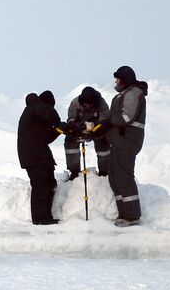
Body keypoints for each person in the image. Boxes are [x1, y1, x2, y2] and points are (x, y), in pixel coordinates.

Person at [107, 65, 148, 227]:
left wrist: (109, 121)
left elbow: (126, 117)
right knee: (115, 177)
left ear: (124, 80)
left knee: (124, 176)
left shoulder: (133, 93)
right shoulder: (122, 95)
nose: (116, 81)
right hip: (119, 140)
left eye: (118, 78)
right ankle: (123, 213)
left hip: (128, 140)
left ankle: (132, 216)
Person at [17, 90, 62, 225]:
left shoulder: (35, 118)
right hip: (34, 157)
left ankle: (46, 216)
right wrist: (57, 122)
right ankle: (40, 218)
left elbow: (45, 138)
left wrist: (58, 130)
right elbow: (50, 114)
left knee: (49, 183)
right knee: (40, 186)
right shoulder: (34, 107)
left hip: (39, 155)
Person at [62, 85, 111, 180]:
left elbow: (105, 122)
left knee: (103, 143)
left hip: (97, 130)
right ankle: (74, 171)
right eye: (85, 104)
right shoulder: (75, 103)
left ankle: (104, 171)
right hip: (79, 129)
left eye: (90, 104)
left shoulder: (102, 104)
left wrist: (94, 128)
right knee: (70, 141)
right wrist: (79, 126)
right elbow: (71, 119)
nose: (88, 106)